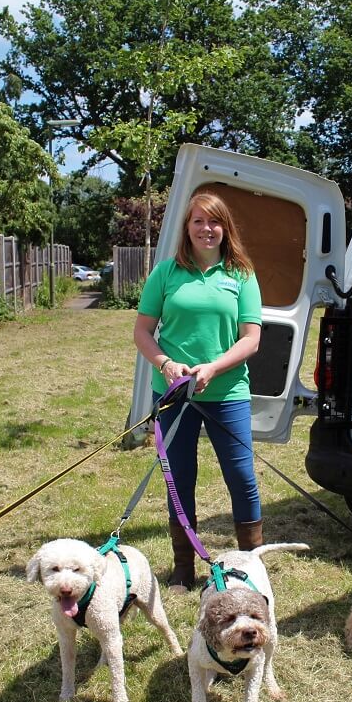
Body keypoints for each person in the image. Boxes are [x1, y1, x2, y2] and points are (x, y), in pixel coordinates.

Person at [133, 191, 264, 594]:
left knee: (241, 477)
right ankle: (183, 569)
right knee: (180, 479)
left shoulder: (241, 274)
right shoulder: (166, 273)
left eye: (214, 222)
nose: (207, 229)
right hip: (174, 393)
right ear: (186, 228)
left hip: (227, 392)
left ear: (226, 228)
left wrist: (214, 367)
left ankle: (251, 568)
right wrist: (166, 364)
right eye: (198, 222)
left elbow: (252, 339)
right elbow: (142, 331)